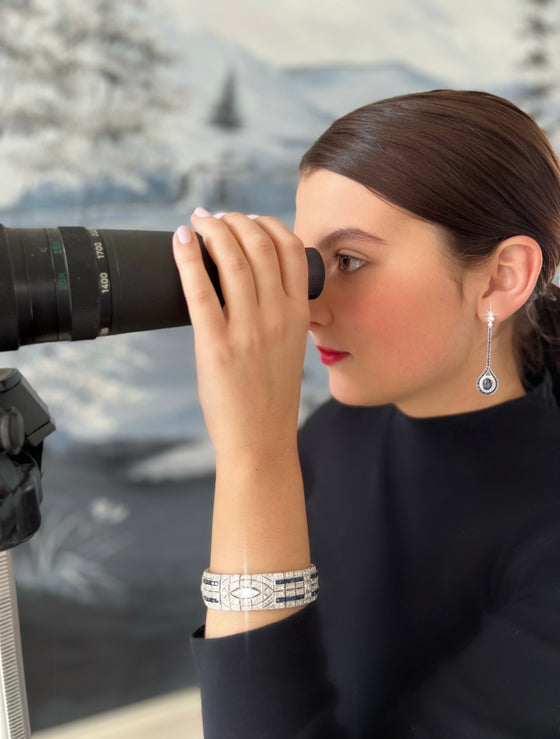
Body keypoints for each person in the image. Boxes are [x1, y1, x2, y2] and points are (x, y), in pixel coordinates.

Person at [172, 90, 560, 738]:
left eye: (350, 260)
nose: (308, 306)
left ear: (501, 277)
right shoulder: (336, 433)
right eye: (311, 264)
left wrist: (252, 454)